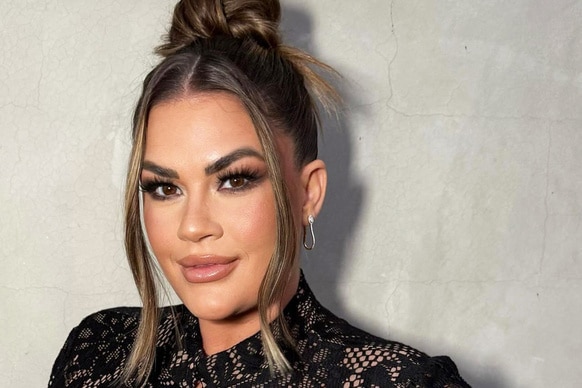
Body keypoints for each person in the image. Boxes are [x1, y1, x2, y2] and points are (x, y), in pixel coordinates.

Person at [49, 0, 470, 386]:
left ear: (308, 193)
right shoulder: (99, 352)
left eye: (234, 180)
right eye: (164, 187)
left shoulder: (399, 381)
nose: (193, 226)